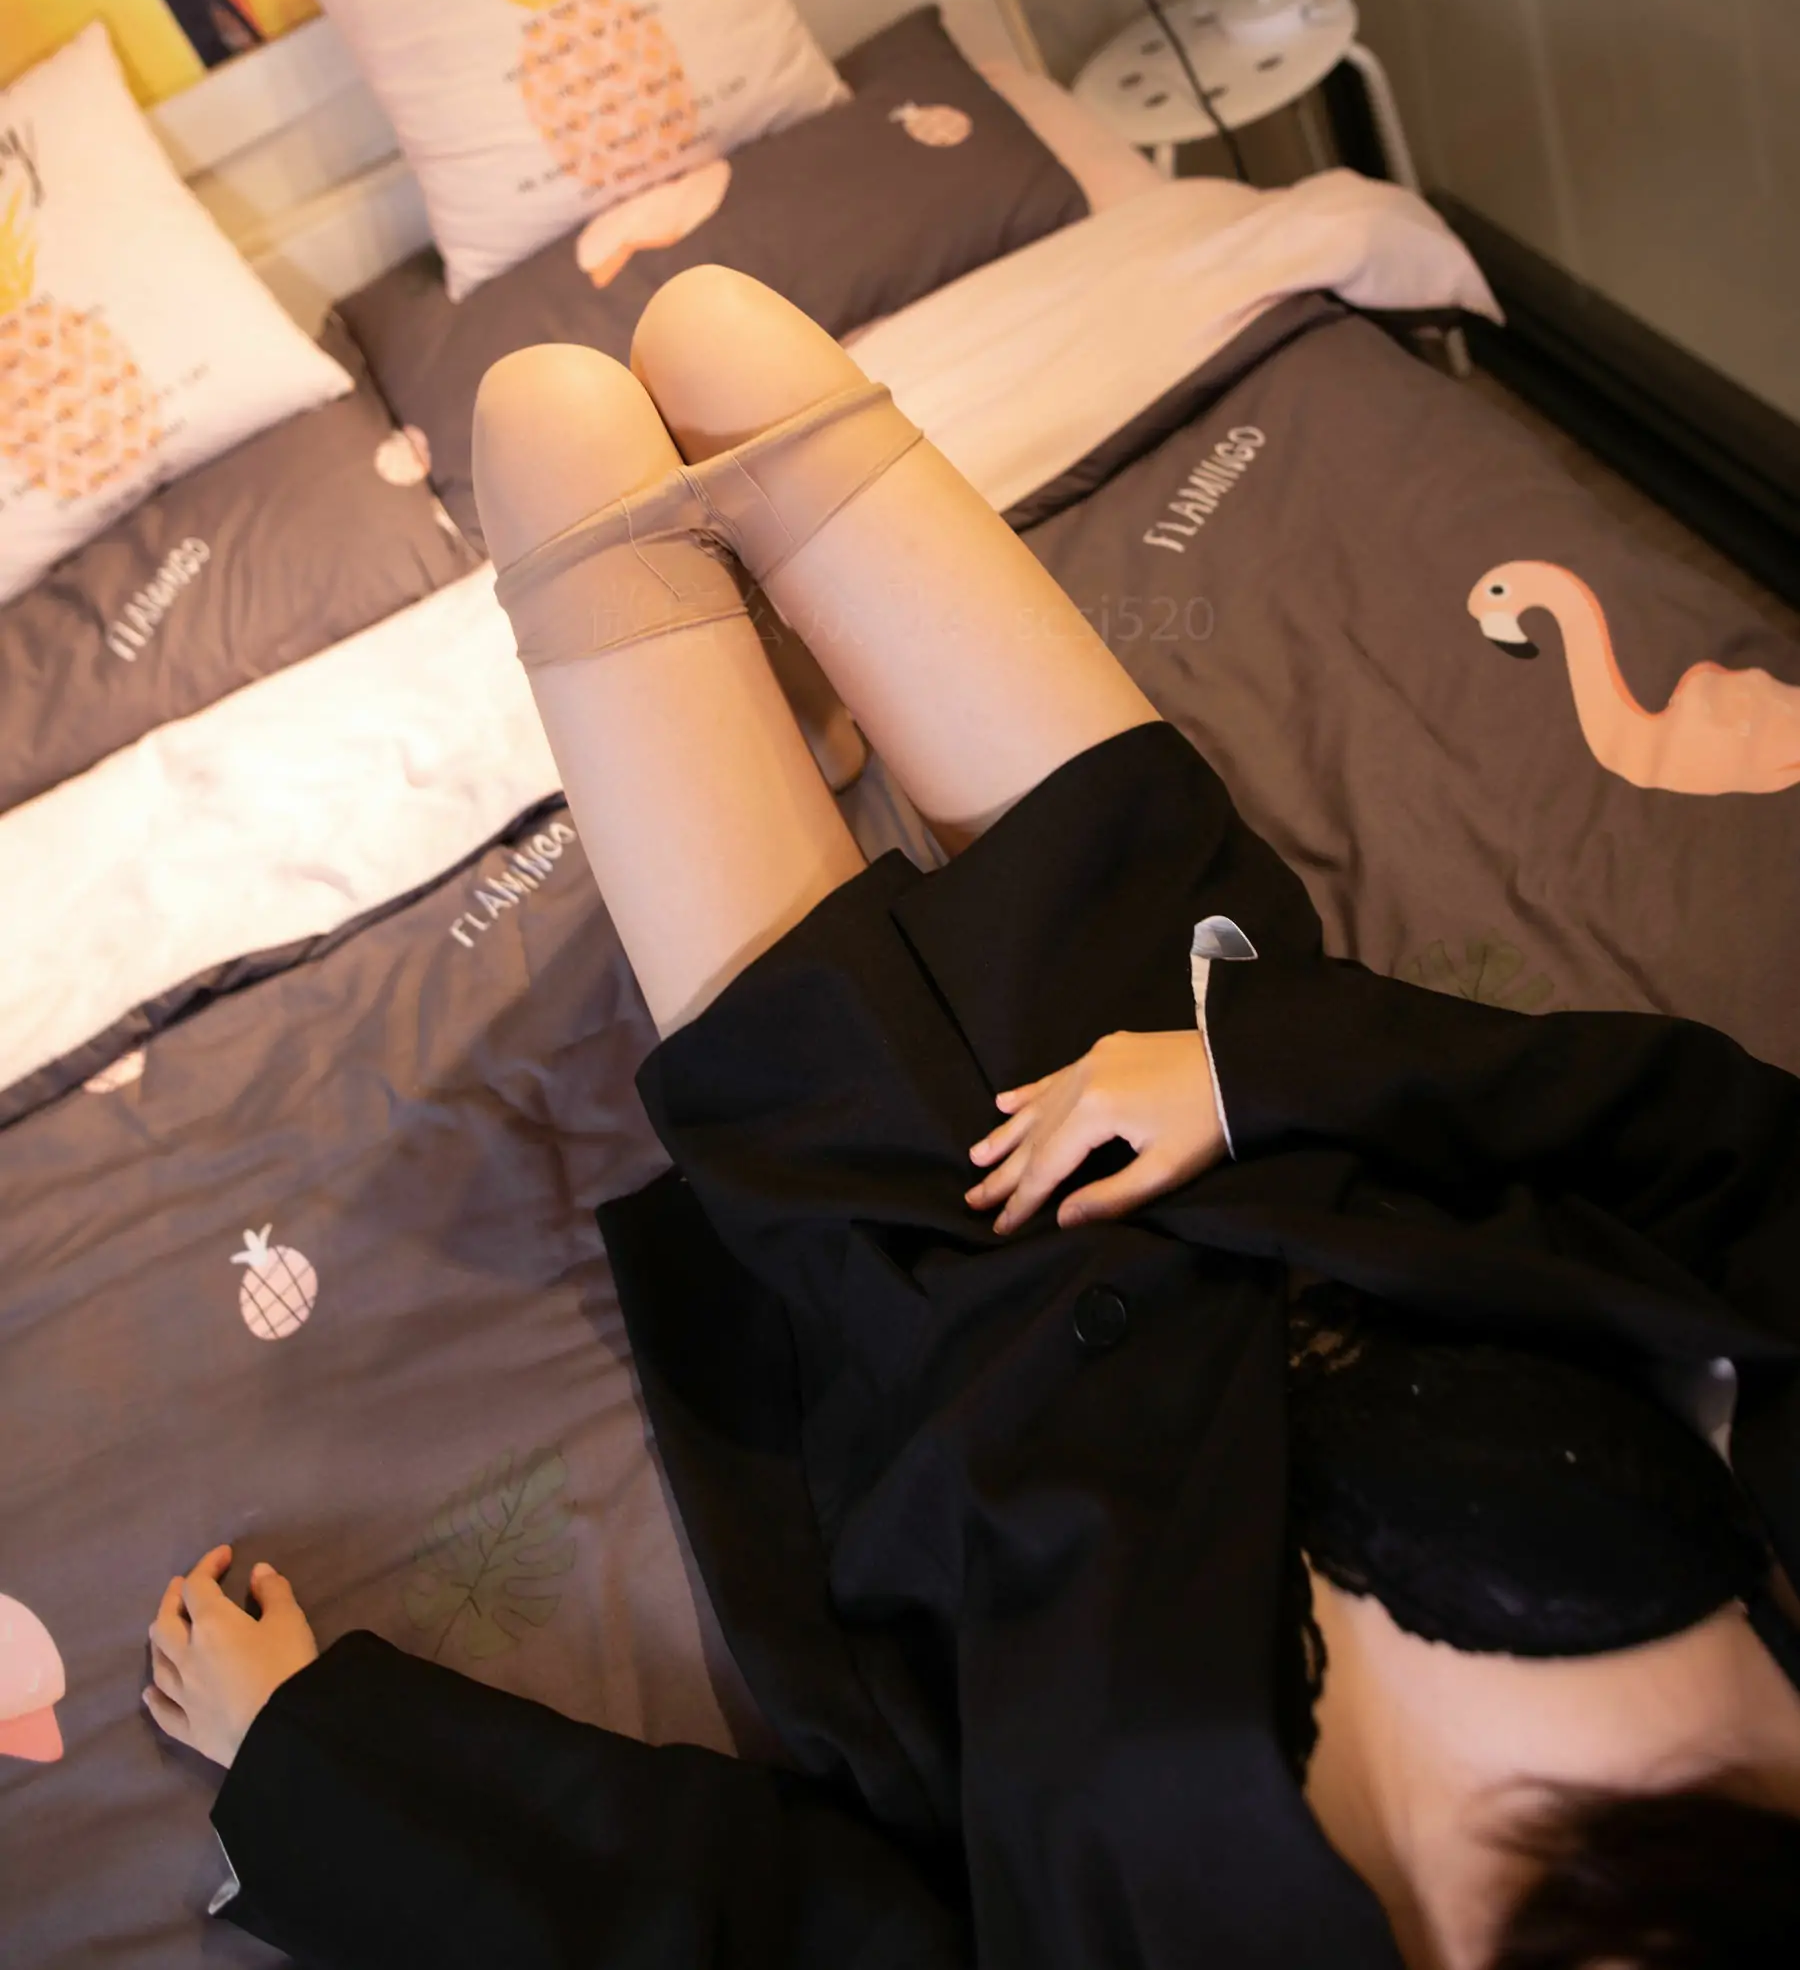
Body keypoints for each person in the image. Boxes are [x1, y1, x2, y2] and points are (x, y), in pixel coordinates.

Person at [145, 268, 1800, 1970]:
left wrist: (327, 1769)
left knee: (546, 424)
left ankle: (782, 731)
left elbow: (758, 1933)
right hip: (1200, 1046)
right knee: (713, 342)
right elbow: (1745, 1168)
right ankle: (793, 718)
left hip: (890, 1242)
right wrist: (1250, 1073)